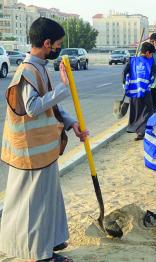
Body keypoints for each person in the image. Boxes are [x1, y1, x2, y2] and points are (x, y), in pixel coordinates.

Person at [0, 17, 88, 261]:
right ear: (47, 43)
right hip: (29, 155)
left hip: (42, 151)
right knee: (33, 207)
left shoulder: (40, 67)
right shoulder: (27, 71)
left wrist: (71, 124)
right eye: (58, 43)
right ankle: (38, 256)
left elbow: (52, 108)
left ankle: (48, 246)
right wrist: (63, 87)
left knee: (47, 201)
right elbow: (33, 107)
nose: (59, 48)